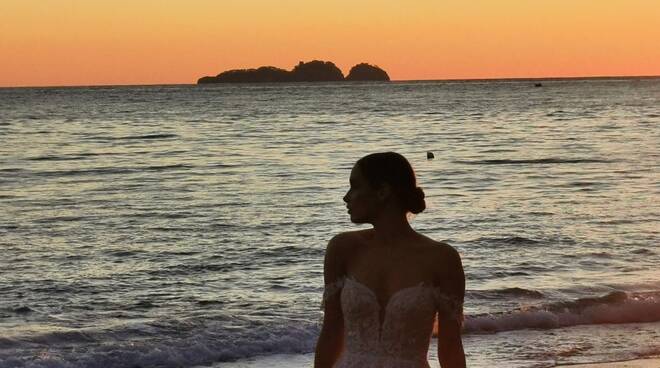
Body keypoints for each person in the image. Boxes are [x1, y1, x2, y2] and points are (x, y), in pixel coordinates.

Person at [314, 152, 466, 368]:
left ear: (383, 191)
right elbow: (331, 332)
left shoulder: (442, 258)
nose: (346, 197)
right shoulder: (343, 249)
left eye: (355, 186)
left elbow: (450, 347)